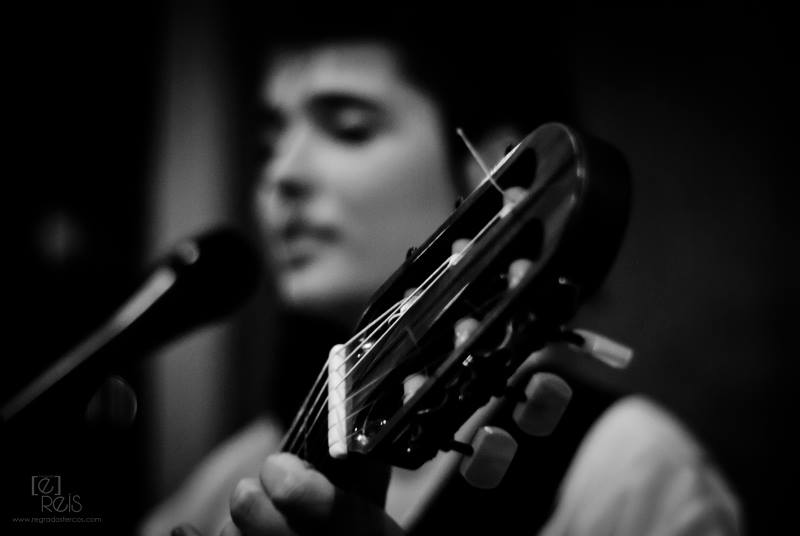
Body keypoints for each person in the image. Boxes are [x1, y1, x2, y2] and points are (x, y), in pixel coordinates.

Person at [140, 9, 742, 536]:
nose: (281, 176)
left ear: (496, 170)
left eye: (349, 128)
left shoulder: (630, 473)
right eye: (269, 145)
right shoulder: (234, 473)